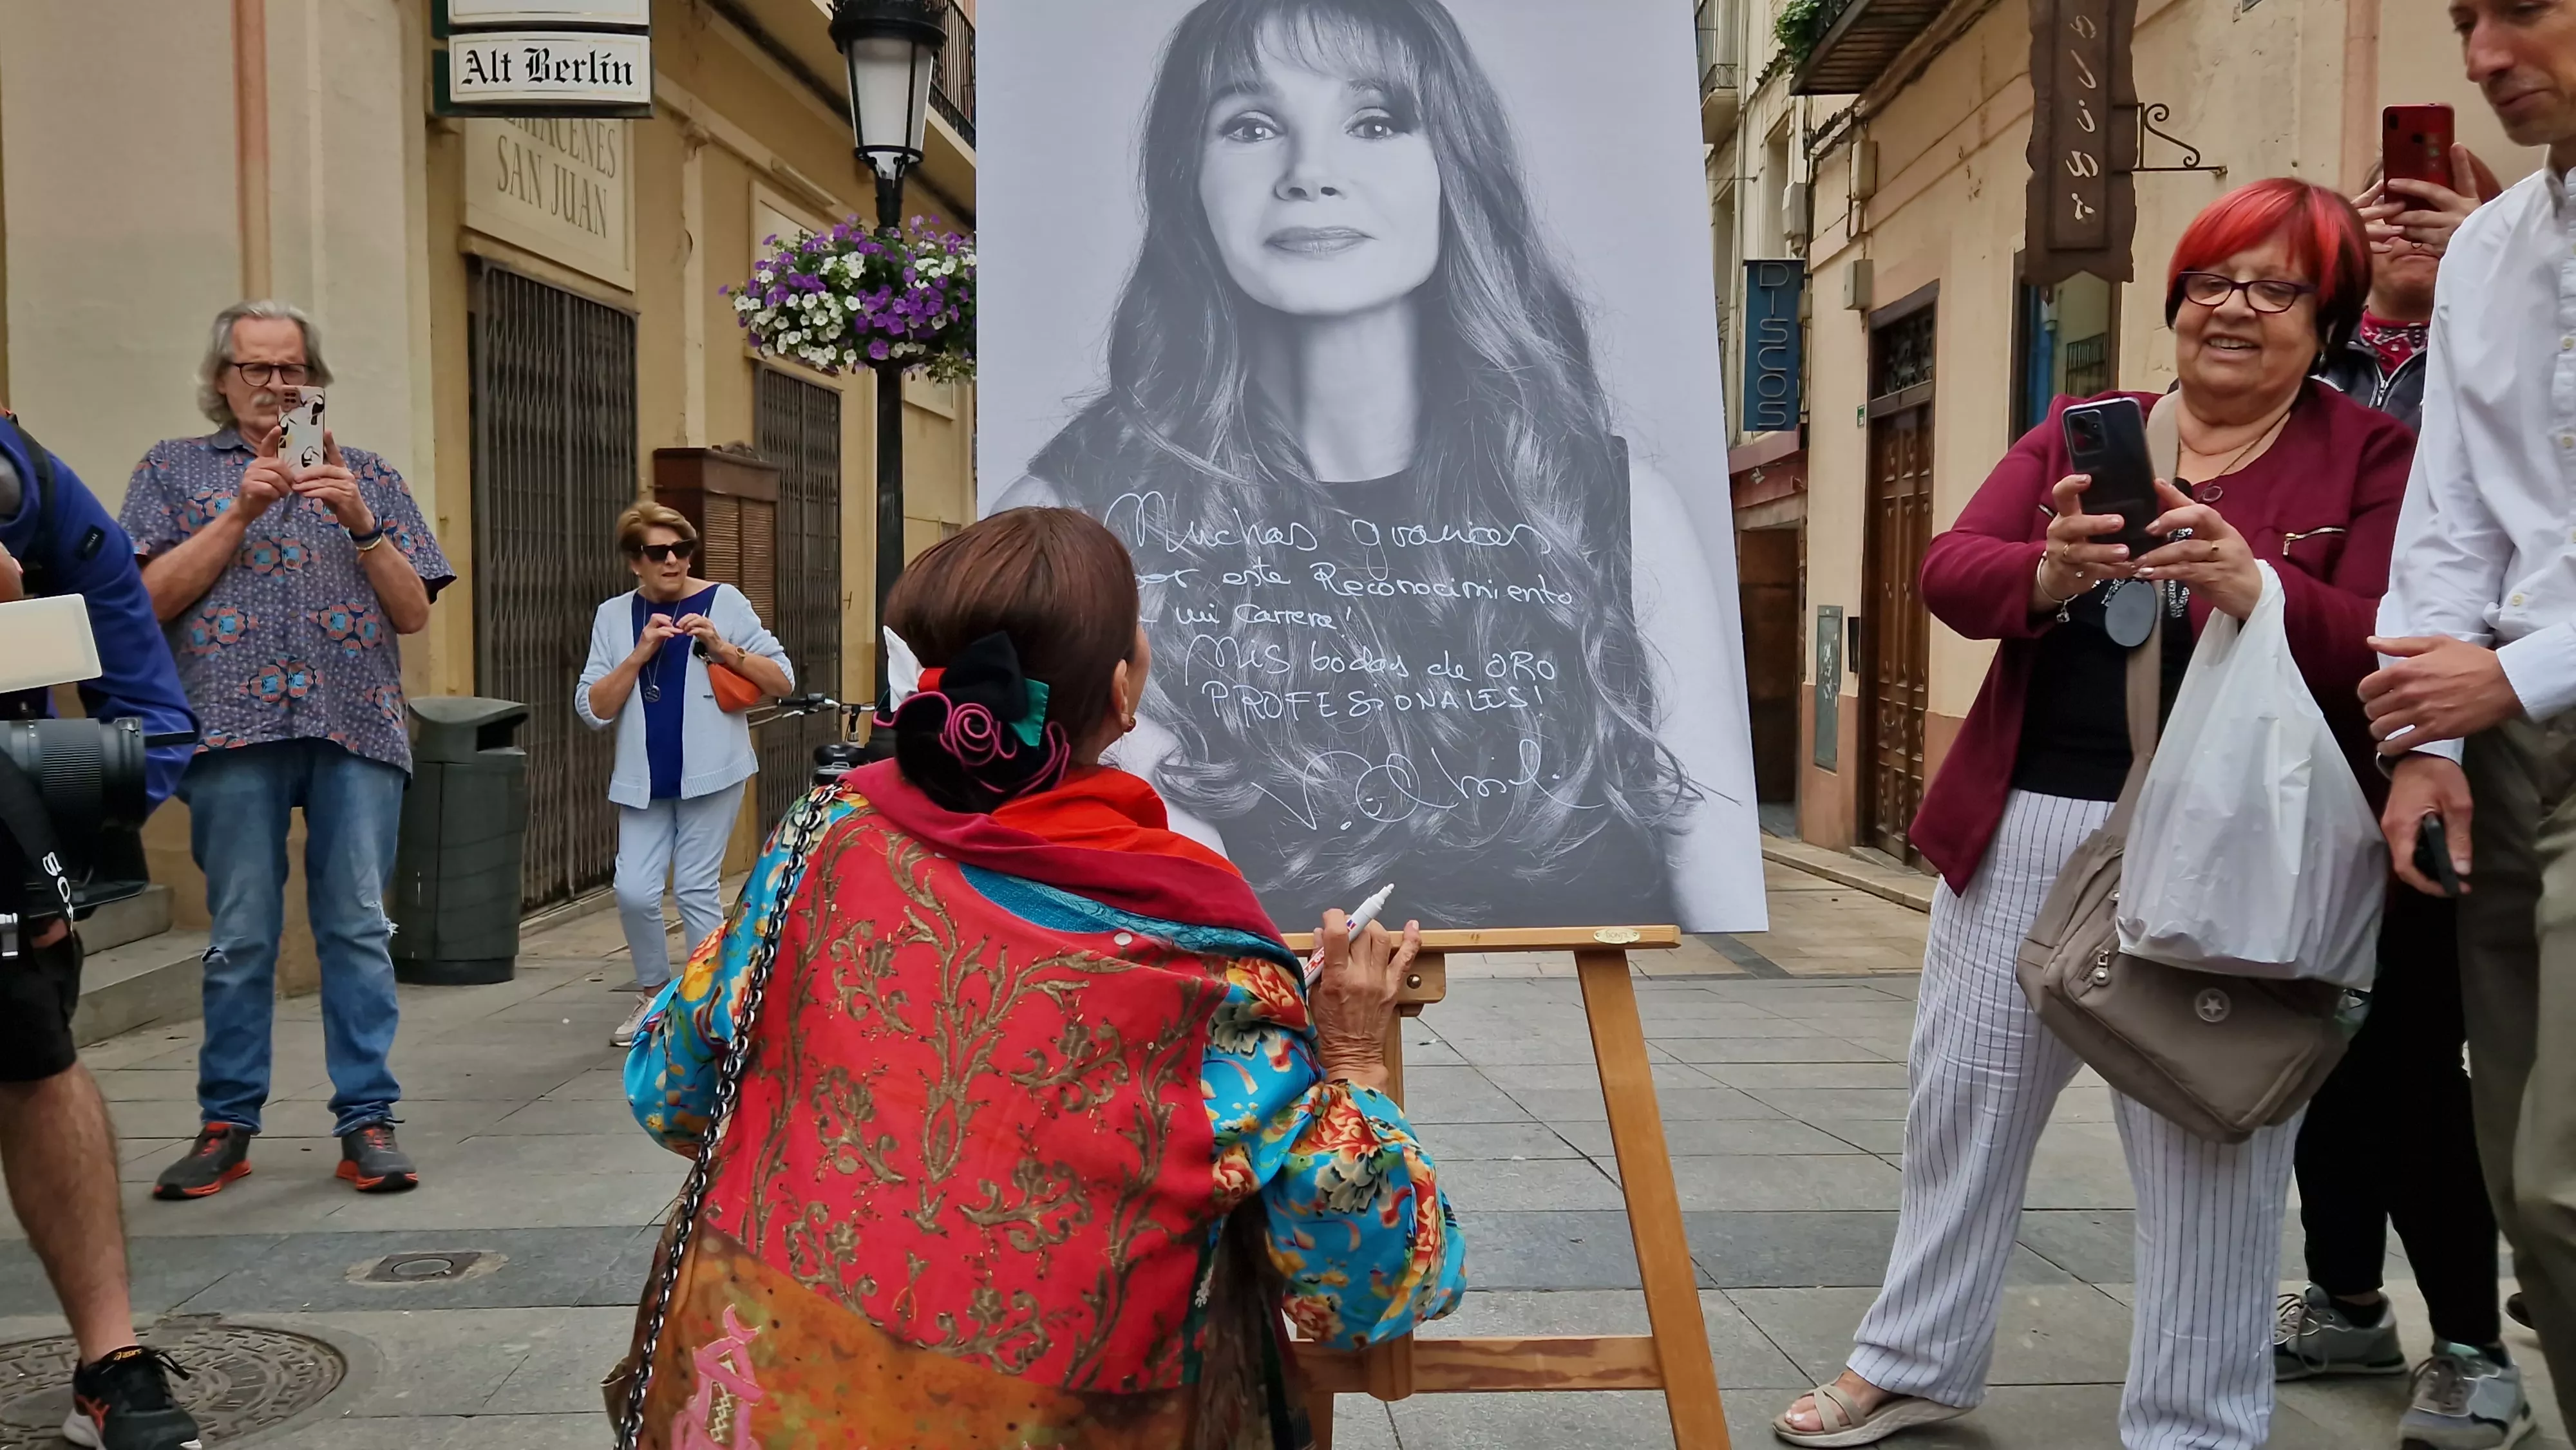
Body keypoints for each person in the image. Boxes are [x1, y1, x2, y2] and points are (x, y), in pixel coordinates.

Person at [1774, 179, 2416, 1449]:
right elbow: (1950, 570)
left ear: (2327, 319)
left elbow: (2391, 639)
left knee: (2209, 1132)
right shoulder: (2084, 428)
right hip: (2022, 819)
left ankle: (2194, 1422)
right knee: (1964, 1104)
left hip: (2233, 846)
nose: (2232, 308)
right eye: (2209, 281)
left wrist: (2258, 586)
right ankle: (1911, 1358)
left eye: (2273, 286)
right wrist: (2050, 567)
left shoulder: (2366, 454)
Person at [620, 507, 1464, 1446]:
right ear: (1122, 688)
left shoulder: (819, 840)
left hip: (758, 1398)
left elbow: (671, 1090)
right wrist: (1353, 1059)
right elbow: (1365, 1281)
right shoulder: (1203, 958)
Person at [1000, 0, 1739, 931]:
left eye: (1376, 120)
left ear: (1455, 166)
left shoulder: (1613, 511)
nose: (1310, 174)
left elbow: (1716, 870)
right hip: (1235, 1018)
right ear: (1188, 177)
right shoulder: (1070, 519)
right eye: (1251, 125)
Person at [2274, 143, 2532, 1449]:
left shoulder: (2506, 341)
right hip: (2310, 739)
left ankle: (2472, 1340)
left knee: (2412, 1045)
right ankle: (2344, 1295)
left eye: (2436, 197)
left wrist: (2488, 264)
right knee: (2317, 1034)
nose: (2403, 218)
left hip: (2469, 731)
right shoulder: (2312, 366)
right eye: (2379, 198)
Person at [2367, 0, 2576, 1436]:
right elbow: (2448, 515)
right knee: (2515, 1178)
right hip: (2496, 753)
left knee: (2562, 1185)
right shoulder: (2491, 250)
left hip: (2528, 693)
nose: (2482, 56)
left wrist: (2513, 677)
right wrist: (2429, 745)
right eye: (2460, 17)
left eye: (2520, 7)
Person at [120, 299, 453, 1201]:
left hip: (356, 722)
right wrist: (238, 513)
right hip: (232, 726)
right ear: (221, 379)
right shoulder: (171, 470)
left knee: (358, 927)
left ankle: (367, 1121)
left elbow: (413, 612)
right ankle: (226, 1124)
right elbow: (146, 601)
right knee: (240, 937)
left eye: (291, 369)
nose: (275, 386)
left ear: (314, 378)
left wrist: (361, 522)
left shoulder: (366, 474)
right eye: (256, 369)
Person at [0, 408, 204, 1449]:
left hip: (2, 832)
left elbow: (146, 702)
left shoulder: (26, 482)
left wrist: (71, 838)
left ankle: (110, 1360)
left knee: (38, 1062)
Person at [576, 502, 792, 1048]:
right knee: (634, 891)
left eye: (682, 549)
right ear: (635, 562)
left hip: (713, 771)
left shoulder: (726, 601)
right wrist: (638, 654)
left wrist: (722, 648)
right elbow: (593, 708)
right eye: (658, 552)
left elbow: (782, 680)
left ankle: (709, 1005)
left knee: (696, 887)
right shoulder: (613, 616)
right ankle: (654, 996)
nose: (672, 560)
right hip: (643, 778)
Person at [2315, 147, 2501, 431]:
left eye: (2441, 211)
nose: (2418, 229)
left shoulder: (2516, 352)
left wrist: (2490, 248)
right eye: (2397, 208)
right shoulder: (2310, 345)